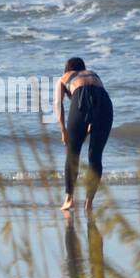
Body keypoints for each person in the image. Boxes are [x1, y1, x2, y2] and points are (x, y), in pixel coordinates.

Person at [53, 57, 114, 212]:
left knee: (73, 154)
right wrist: (89, 123)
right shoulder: (93, 75)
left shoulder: (64, 78)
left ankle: (69, 199)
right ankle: (89, 203)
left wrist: (63, 130)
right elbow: (95, 99)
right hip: (105, 104)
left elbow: (57, 105)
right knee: (95, 155)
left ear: (67, 69)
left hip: (80, 99)